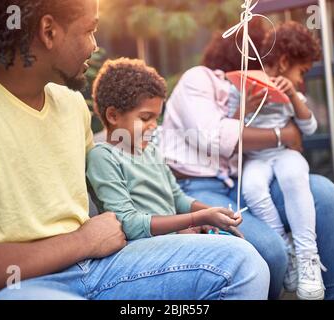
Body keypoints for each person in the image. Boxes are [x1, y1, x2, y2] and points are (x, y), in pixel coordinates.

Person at [0, 0, 269, 300]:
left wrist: (183, 221)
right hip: (19, 285)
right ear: (49, 31)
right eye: (90, 30)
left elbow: (122, 202)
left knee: (241, 264)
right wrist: (81, 242)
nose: (96, 46)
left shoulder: (70, 104)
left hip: (99, 267)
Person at [159, 28, 334, 300]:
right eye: (268, 62)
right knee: (272, 251)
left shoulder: (265, 90)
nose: (273, 72)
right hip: (199, 187)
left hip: (243, 180)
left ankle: (329, 291)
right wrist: (282, 135)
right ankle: (286, 257)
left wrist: (284, 124)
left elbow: (292, 127)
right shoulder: (198, 79)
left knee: (325, 195)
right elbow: (215, 137)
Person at [87, 58, 245, 240]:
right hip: (144, 249)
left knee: (235, 243)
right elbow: (129, 224)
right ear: (113, 115)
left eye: (156, 118)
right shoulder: (103, 157)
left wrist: (212, 213)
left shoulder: (151, 151)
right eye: (146, 118)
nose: (154, 126)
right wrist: (194, 219)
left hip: (172, 240)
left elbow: (177, 198)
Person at [231, 22, 326, 300]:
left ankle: (308, 256)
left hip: (285, 154)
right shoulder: (246, 86)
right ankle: (287, 250)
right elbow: (229, 129)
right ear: (284, 61)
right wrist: (245, 106)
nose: (301, 80)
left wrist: (294, 96)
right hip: (257, 159)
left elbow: (309, 128)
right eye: (302, 72)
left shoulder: (294, 93)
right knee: (252, 188)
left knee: (295, 176)